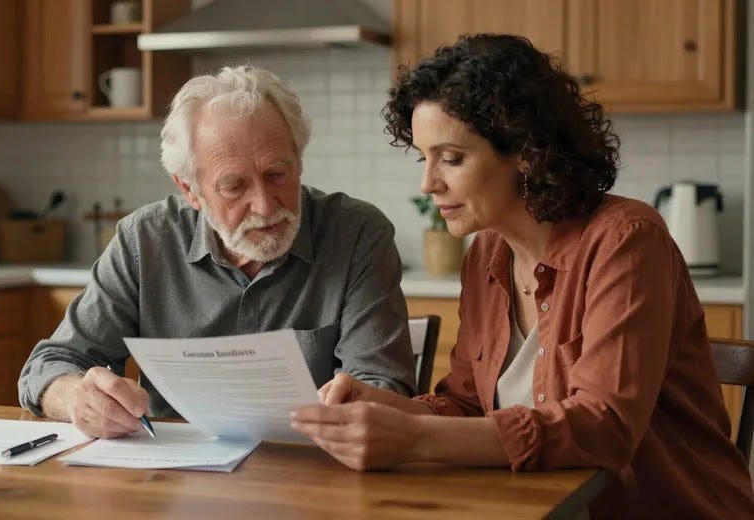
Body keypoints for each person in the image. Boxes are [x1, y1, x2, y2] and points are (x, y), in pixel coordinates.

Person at [290, 34, 754, 517]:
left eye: (450, 158)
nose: (428, 183)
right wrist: (388, 408)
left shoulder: (626, 241)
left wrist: (417, 438)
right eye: (423, 158)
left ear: (525, 152)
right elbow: (470, 404)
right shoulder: (486, 252)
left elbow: (605, 427)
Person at [18, 65, 417, 439]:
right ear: (189, 189)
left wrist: (359, 404)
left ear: (299, 159)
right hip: (169, 478)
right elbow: (49, 365)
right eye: (234, 186)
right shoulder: (145, 240)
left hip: (314, 469)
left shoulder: (358, 234)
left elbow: (385, 390)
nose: (265, 205)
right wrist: (76, 398)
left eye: (277, 174)